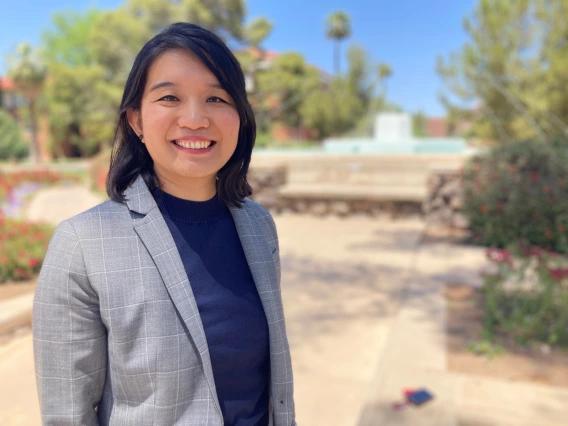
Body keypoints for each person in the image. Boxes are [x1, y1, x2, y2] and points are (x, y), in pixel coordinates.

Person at [32, 22, 296, 426]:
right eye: (170, 97)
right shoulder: (82, 244)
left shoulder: (259, 228)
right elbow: (67, 413)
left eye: (216, 98)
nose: (195, 119)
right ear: (136, 120)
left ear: (239, 117)